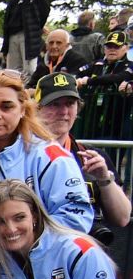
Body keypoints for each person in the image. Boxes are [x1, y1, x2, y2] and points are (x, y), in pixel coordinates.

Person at [0, 69, 94, 238]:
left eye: (6, 106)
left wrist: (10, 239)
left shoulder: (50, 158)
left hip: (30, 263)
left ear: (23, 109)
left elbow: (76, 220)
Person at [33, 72, 131, 238]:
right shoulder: (22, 155)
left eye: (70, 103)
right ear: (36, 109)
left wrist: (104, 179)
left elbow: (122, 218)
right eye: (54, 104)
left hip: (86, 252)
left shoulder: (91, 156)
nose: (63, 111)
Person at [2, 0, 51, 73]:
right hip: (12, 34)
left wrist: (37, 27)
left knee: (29, 69)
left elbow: (44, 12)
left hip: (27, 35)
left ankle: (26, 89)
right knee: (12, 69)